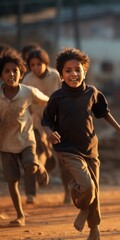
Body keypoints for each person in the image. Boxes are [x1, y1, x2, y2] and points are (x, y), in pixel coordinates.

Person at [41, 48, 120, 240]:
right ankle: (77, 193)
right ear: (61, 74)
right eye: (68, 71)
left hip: (91, 148)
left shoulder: (92, 92)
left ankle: (94, 229)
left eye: (77, 69)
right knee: (87, 187)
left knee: (95, 192)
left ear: (85, 71)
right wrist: (50, 133)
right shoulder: (57, 97)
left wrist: (119, 128)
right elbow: (46, 121)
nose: (73, 74)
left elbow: (103, 112)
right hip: (67, 149)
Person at [0, 48, 50, 227]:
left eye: (15, 71)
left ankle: (39, 165)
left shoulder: (28, 91)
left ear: (21, 74)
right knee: (12, 182)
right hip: (5, 145)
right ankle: (20, 215)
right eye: (7, 71)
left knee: (30, 166)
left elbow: (48, 101)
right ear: (1, 74)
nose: (11, 74)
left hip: (26, 141)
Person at [22, 48, 72, 205]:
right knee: (31, 158)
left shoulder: (56, 76)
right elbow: (25, 104)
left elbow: (64, 97)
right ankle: (31, 194)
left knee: (64, 160)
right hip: (36, 123)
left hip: (57, 123)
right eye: (32, 65)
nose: (36, 68)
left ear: (46, 63)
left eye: (39, 64)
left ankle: (68, 193)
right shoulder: (28, 79)